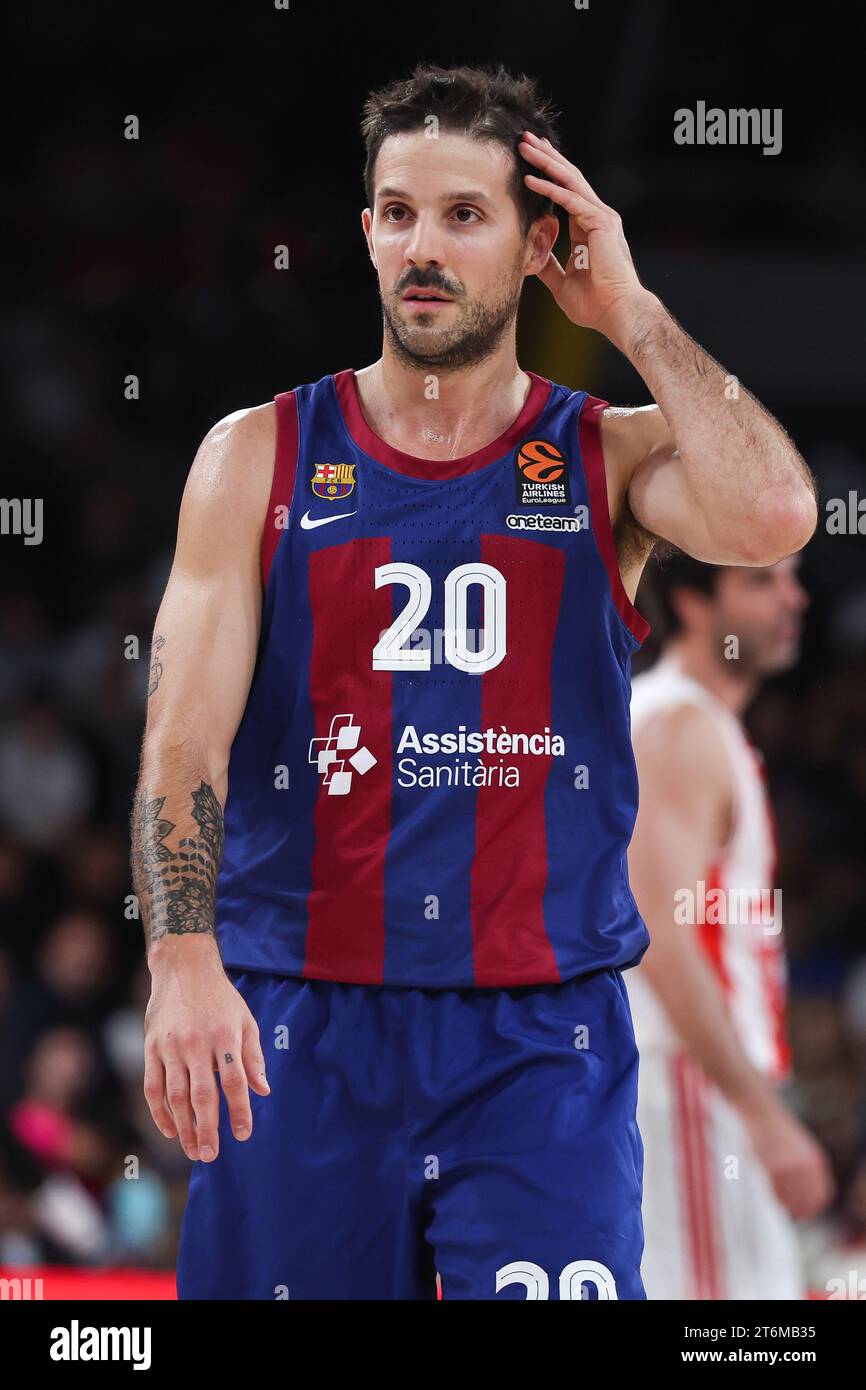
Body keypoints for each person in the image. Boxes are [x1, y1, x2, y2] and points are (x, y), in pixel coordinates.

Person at [131, 63, 817, 1300]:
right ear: (365, 235)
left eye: (463, 214)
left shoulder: (601, 455)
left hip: (537, 1038)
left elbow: (772, 511)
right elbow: (183, 743)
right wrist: (181, 961)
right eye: (396, 213)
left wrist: (631, 310)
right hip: (303, 1021)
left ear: (535, 241)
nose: (421, 247)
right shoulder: (254, 456)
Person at [627, 552, 835, 1299]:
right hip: (685, 1082)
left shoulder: (693, 721)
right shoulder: (676, 726)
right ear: (691, 600)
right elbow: (658, 936)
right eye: (764, 580)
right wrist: (762, 1114)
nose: (794, 598)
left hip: (700, 1082)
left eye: (792, 576)